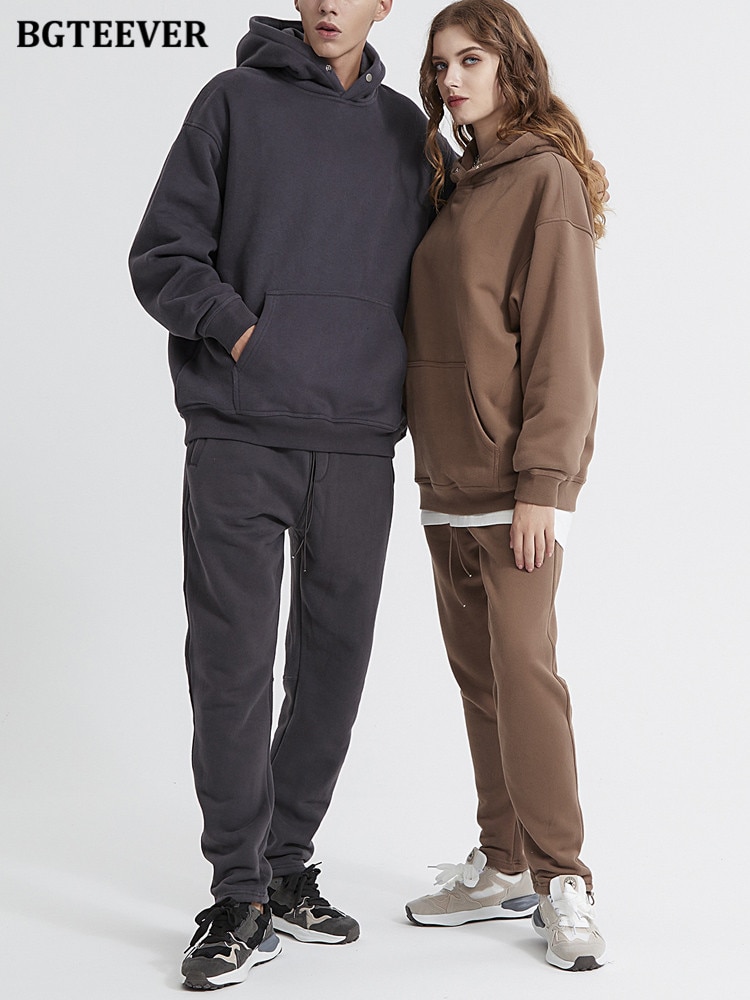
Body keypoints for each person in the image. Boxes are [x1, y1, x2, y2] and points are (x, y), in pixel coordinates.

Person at [128, 1, 453, 990]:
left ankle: (284, 863)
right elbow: (161, 254)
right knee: (230, 668)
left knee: (334, 666)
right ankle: (236, 893)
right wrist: (243, 333)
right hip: (238, 431)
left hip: (358, 441)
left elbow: (443, 278)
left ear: (384, 3)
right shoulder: (231, 102)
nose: (326, 5)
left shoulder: (408, 130)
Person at [402, 0, 607, 973]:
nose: (451, 79)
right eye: (440, 64)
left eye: (471, 59)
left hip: (513, 486)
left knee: (526, 675)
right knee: (480, 679)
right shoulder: (453, 184)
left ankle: (565, 878)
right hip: (445, 481)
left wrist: (544, 485)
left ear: (511, 65)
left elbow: (566, 345)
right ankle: (504, 860)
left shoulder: (542, 180)